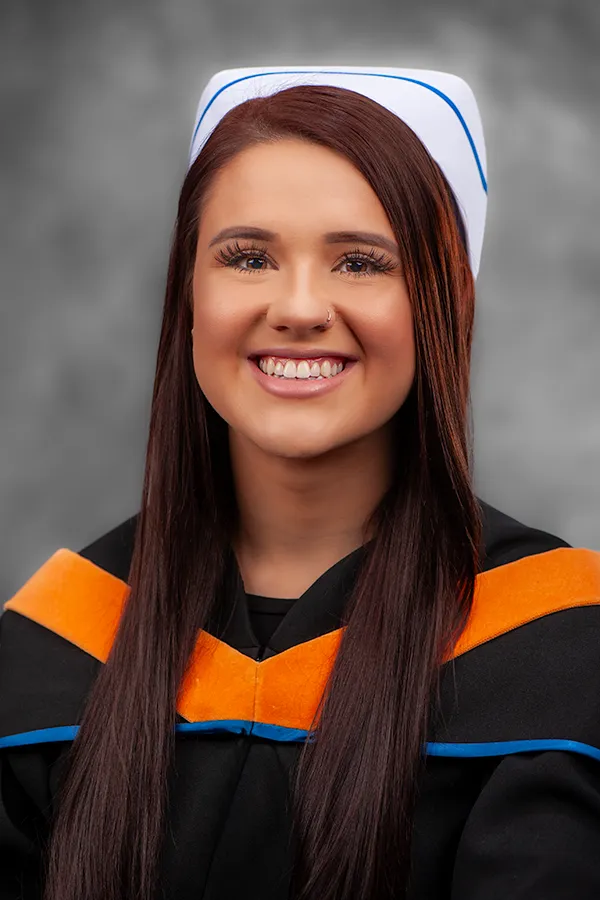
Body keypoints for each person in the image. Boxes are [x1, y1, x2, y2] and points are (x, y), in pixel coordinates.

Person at [1, 64, 600, 900]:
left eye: (360, 263)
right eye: (247, 257)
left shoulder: (558, 655)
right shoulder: (51, 654)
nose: (300, 306)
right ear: (189, 299)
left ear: (451, 302)